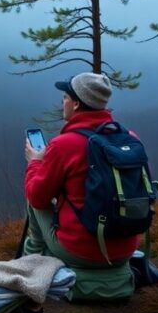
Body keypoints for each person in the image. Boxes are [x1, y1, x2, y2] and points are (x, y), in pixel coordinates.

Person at [22, 72, 142, 268]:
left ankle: (31, 262)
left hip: (81, 251)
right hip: (126, 249)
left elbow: (37, 197)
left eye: (65, 98)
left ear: (76, 104)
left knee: (33, 190)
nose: (63, 102)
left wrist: (35, 163)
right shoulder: (130, 138)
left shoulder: (64, 144)